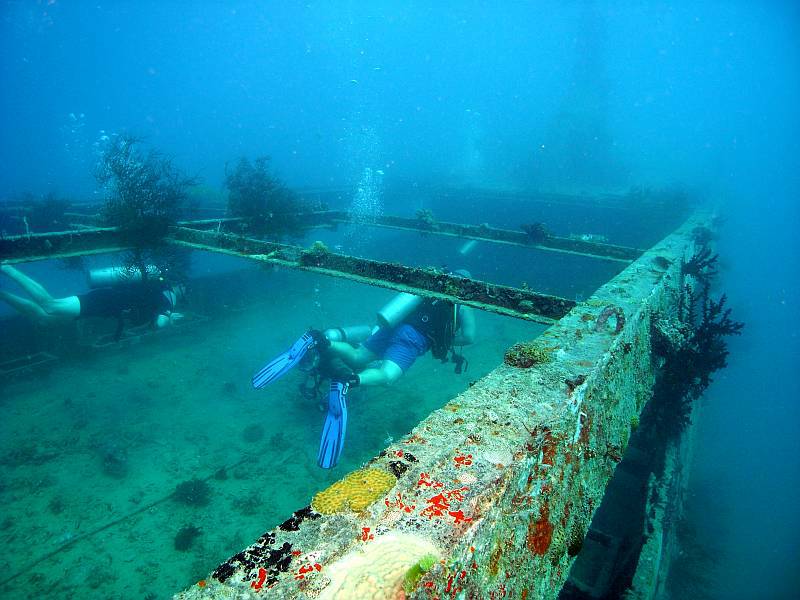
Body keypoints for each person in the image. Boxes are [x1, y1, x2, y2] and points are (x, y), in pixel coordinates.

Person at [251, 269, 477, 469]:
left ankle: (319, 340)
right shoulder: (460, 302)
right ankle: (348, 382)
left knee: (359, 356)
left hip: (391, 326)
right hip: (413, 339)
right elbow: (469, 336)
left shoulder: (429, 285)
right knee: (388, 375)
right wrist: (441, 340)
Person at [0, 263, 184, 336]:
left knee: (45, 318)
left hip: (105, 308)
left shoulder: (159, 292)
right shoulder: (168, 302)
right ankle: (8, 269)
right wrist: (169, 320)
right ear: (178, 287)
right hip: (104, 303)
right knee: (50, 305)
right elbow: (157, 325)